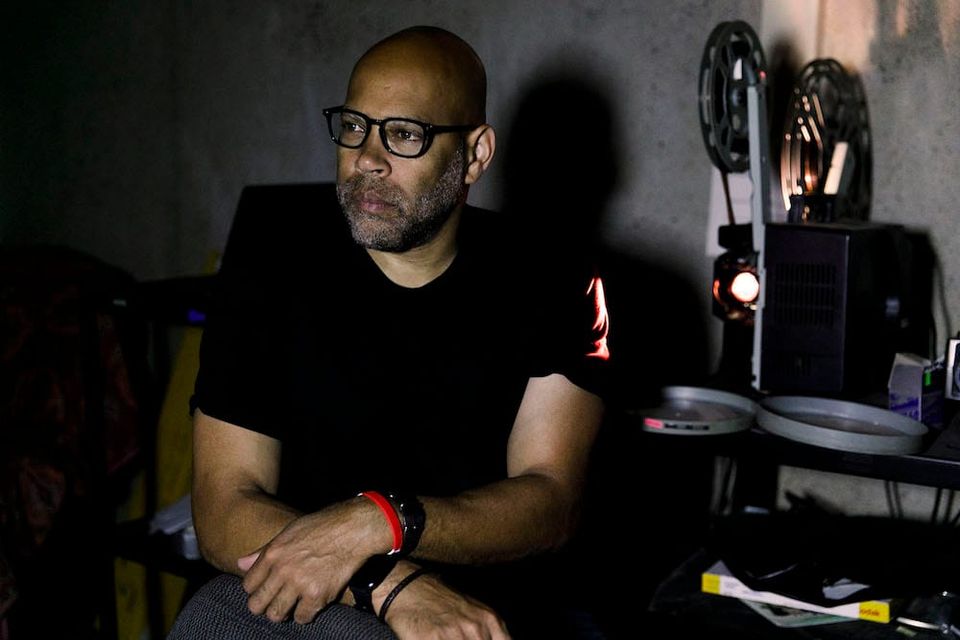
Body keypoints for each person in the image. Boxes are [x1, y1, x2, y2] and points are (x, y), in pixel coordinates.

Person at [171, 25, 610, 640]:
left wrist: (380, 521)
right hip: (310, 590)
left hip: (480, 604)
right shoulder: (272, 256)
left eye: (405, 135)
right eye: (355, 127)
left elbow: (550, 500)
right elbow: (223, 510)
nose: (368, 161)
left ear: (476, 155)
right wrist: (386, 580)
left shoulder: (554, 276)